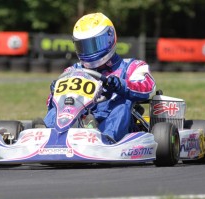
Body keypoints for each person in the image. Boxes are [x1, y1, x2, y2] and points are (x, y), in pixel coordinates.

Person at [43, 12, 156, 142]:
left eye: (95, 44)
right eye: (84, 46)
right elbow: (53, 104)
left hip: (112, 120)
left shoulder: (132, 66)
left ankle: (106, 140)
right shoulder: (73, 70)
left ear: (109, 38)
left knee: (122, 106)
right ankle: (47, 135)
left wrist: (121, 85)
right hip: (80, 119)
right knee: (58, 108)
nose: (89, 51)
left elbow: (148, 88)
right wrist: (54, 93)